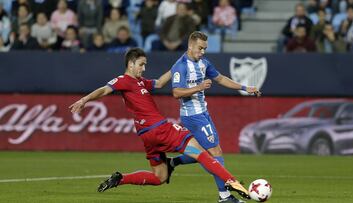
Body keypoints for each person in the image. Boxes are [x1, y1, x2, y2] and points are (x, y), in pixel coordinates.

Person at [69, 47, 250, 201]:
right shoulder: (123, 80)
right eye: (141, 64)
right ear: (130, 64)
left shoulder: (141, 82)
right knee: (203, 153)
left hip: (148, 137)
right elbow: (104, 89)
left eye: (145, 64)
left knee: (160, 177)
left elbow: (161, 82)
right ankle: (231, 183)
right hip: (160, 129)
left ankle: (120, 179)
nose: (144, 68)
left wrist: (180, 63)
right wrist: (85, 99)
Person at [168, 31, 260, 203]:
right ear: (190, 45)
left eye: (205, 49)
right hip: (193, 116)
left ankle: (172, 163)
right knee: (216, 152)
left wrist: (244, 87)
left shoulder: (203, 63)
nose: (202, 52)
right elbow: (176, 92)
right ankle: (224, 196)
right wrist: (199, 87)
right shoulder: (180, 66)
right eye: (200, 48)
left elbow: (221, 78)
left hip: (203, 113)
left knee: (204, 153)